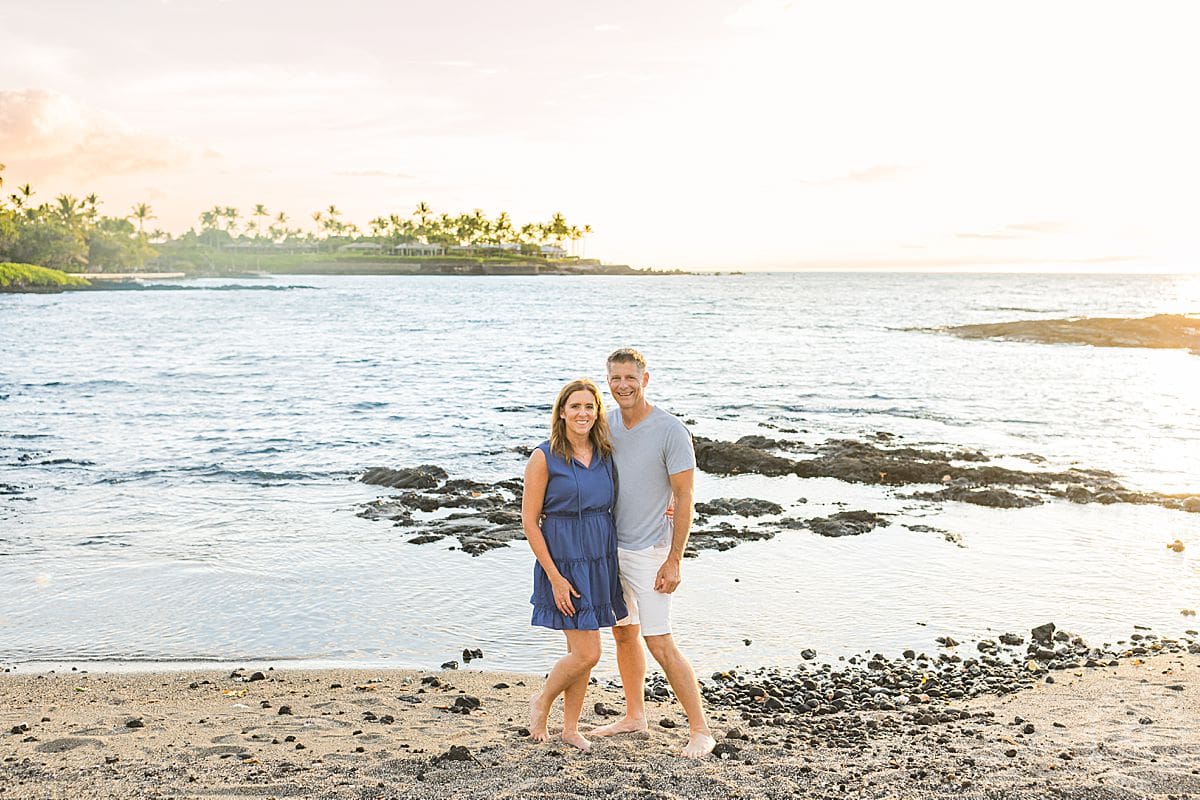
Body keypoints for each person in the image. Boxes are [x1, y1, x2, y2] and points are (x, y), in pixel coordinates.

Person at [590, 347, 716, 759]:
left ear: (645, 380)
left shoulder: (670, 431)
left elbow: (685, 495)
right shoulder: (604, 424)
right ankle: (634, 715)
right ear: (607, 382)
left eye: (630, 378)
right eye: (615, 378)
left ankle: (700, 730)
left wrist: (675, 558)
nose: (622, 385)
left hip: (652, 551)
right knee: (624, 633)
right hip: (613, 548)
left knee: (660, 642)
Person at [522, 378, 628, 752]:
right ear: (562, 412)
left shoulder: (604, 453)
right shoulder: (544, 456)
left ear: (597, 412)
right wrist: (554, 577)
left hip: (600, 557)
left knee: (583, 650)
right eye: (575, 407)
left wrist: (669, 504)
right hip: (564, 560)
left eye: (589, 406)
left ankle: (569, 728)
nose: (582, 413)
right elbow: (529, 520)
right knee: (588, 652)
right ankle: (542, 701)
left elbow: (633, 488)